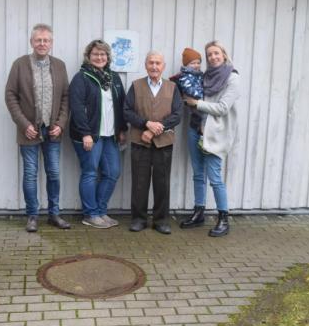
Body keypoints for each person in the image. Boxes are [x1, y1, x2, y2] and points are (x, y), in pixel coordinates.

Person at [5, 23, 71, 232]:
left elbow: (65, 97)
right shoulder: (20, 64)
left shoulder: (59, 66)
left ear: (51, 43)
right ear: (31, 42)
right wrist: (23, 124)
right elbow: (10, 95)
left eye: (46, 40)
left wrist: (60, 124)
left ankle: (54, 214)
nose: (42, 43)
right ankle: (32, 215)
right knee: (30, 174)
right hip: (29, 131)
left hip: (52, 131)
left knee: (54, 173)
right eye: (38, 40)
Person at [182, 41, 240, 237]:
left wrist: (196, 103)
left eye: (216, 53)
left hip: (215, 134)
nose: (213, 57)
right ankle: (199, 212)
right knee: (198, 174)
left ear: (223, 54)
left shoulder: (232, 78)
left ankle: (223, 218)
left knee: (215, 178)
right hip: (195, 129)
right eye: (209, 55)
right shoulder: (205, 76)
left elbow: (222, 108)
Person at [68, 39, 127, 229]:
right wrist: (85, 133)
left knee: (112, 172)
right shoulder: (81, 78)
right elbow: (77, 108)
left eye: (103, 54)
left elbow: (121, 104)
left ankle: (101, 211)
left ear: (108, 57)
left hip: (110, 136)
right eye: (95, 54)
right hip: (90, 136)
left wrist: (121, 129)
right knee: (90, 173)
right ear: (88, 56)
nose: (99, 57)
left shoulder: (114, 78)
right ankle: (90, 214)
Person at [123, 51, 182, 234]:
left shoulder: (172, 87)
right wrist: (146, 124)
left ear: (163, 66)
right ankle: (138, 219)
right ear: (145, 65)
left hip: (164, 143)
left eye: (158, 63)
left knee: (162, 183)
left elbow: (177, 115)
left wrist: (157, 128)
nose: (154, 66)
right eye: (151, 63)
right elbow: (127, 111)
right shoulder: (135, 86)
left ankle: (161, 221)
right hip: (140, 142)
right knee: (139, 183)